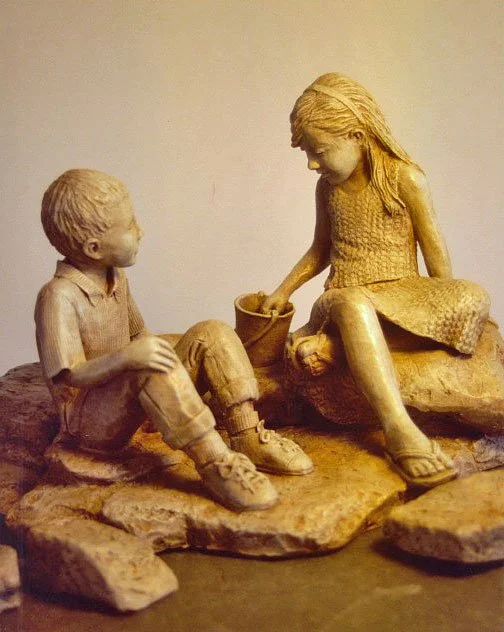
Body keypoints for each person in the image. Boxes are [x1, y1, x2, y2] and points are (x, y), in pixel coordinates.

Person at [36, 169, 313, 513]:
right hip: (89, 424)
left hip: (126, 396)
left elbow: (139, 335)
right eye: (130, 226)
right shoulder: (58, 297)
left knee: (210, 333)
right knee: (146, 365)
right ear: (94, 248)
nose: (140, 231)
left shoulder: (116, 278)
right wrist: (132, 360)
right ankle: (216, 462)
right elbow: (71, 374)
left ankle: (246, 434)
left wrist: (177, 369)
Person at [261, 73, 490, 488]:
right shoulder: (327, 190)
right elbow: (319, 251)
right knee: (355, 306)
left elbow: (434, 249)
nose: (312, 164)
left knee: (473, 296)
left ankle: (339, 347)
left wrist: (446, 300)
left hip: (402, 294)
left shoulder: (406, 178)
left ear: (356, 135)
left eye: (319, 151)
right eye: (308, 154)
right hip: (343, 297)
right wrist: (283, 290)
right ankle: (400, 432)